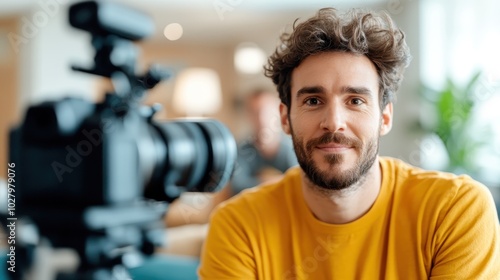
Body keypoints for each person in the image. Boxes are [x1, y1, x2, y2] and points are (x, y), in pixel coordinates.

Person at [199, 8, 500, 279]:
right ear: (285, 118)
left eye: (355, 100)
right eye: (313, 100)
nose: (333, 121)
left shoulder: (454, 210)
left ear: (384, 117)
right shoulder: (237, 226)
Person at [159, 88, 297, 257]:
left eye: (265, 111)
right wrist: (273, 181)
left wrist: (263, 182)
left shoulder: (292, 150)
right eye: (254, 112)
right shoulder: (241, 150)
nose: (260, 118)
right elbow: (237, 186)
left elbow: (298, 186)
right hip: (245, 219)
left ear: (279, 113)